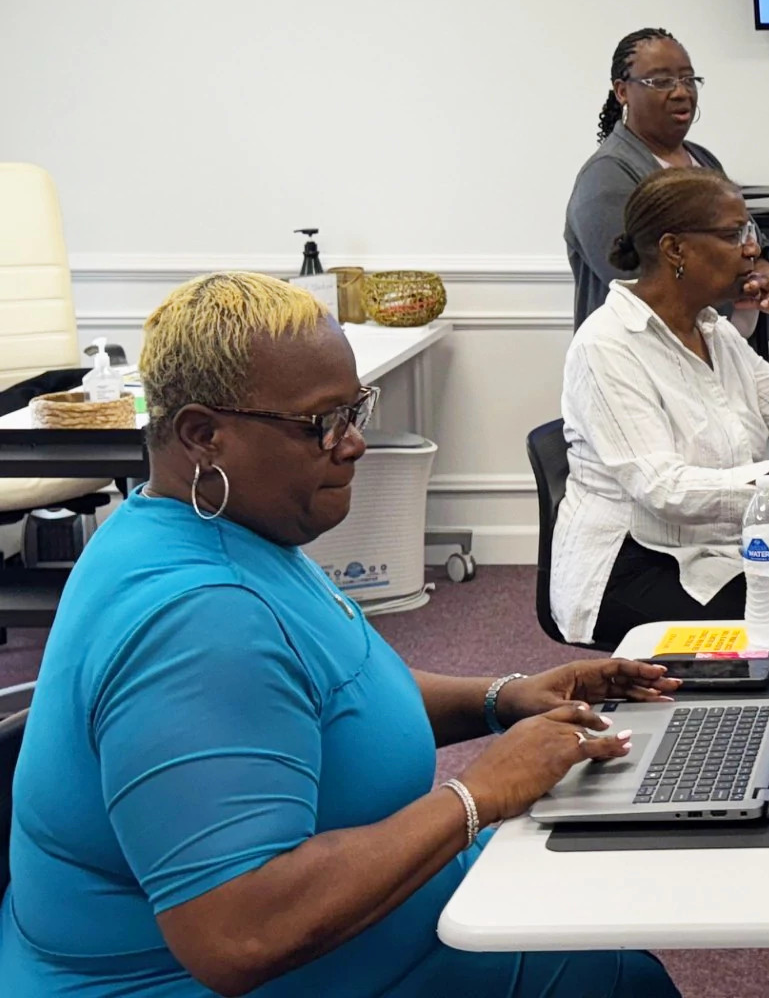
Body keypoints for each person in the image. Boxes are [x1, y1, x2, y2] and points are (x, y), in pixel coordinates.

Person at [0, 273, 681, 998]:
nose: (353, 444)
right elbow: (237, 935)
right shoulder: (198, 620)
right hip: (210, 977)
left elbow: (335, 693)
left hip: (343, 940)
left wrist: (502, 697)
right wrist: (480, 792)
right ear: (203, 435)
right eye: (322, 422)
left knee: (588, 893)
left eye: (353, 410)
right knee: (618, 978)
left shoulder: (217, 530)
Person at [552, 167, 769, 646]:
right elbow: (666, 490)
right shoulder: (607, 345)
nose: (752, 249)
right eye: (733, 234)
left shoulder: (713, 331)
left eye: (749, 232)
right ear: (675, 248)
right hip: (630, 568)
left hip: (726, 550)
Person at [565, 27, 769, 328]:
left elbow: (750, 238)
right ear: (622, 91)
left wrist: (767, 271)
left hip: (721, 355)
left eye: (688, 79)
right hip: (643, 362)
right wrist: (743, 284)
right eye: (661, 81)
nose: (681, 92)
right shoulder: (605, 176)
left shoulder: (702, 160)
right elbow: (639, 283)